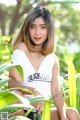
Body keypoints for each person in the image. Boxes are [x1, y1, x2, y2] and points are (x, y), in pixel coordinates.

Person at [8, 6, 80, 120]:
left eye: (42, 27)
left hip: (41, 113)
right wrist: (35, 92)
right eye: (33, 27)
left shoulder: (52, 59)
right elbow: (12, 84)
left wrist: (63, 116)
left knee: (73, 114)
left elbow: (56, 91)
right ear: (27, 29)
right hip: (21, 111)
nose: (37, 32)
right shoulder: (21, 50)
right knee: (19, 98)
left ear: (49, 30)